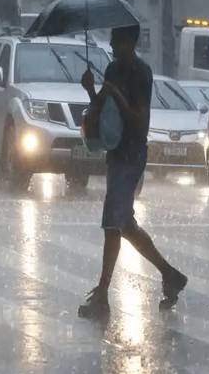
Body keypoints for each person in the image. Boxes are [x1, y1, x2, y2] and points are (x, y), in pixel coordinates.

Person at [78, 25, 188, 318]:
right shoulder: (112, 70)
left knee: (112, 225)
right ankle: (170, 275)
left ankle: (102, 295)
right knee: (124, 224)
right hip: (116, 153)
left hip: (132, 155)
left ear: (129, 42)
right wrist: (92, 90)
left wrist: (116, 93)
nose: (112, 45)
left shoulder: (142, 73)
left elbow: (139, 120)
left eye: (116, 41)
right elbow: (102, 109)